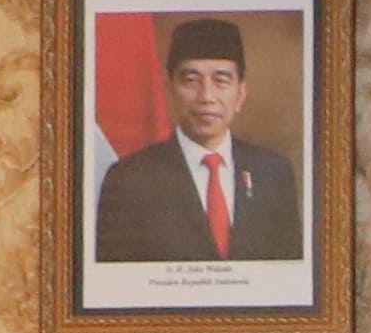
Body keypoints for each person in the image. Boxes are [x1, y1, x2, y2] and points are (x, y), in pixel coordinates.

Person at [95, 14, 303, 266]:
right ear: (170, 89)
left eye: (221, 80)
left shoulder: (273, 173)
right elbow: (114, 281)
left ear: (240, 94)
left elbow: (290, 274)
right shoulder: (128, 180)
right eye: (191, 80)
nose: (206, 96)